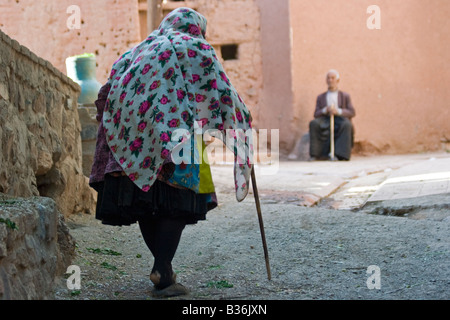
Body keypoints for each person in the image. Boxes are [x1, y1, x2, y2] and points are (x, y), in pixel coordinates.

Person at [89, 7, 253, 298]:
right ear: (197, 28)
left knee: (145, 199)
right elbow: (220, 90)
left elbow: (104, 94)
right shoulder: (195, 46)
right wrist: (242, 119)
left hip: (130, 141)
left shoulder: (136, 51)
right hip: (176, 136)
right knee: (180, 201)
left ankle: (162, 270)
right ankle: (162, 269)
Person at [309, 69, 355, 161]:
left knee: (347, 125)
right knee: (313, 123)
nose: (330, 80)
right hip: (326, 119)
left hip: (339, 119)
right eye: (328, 78)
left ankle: (341, 155)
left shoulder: (345, 96)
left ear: (337, 80)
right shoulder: (321, 97)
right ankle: (316, 154)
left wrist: (338, 111)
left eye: (333, 78)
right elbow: (316, 114)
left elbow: (351, 112)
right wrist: (325, 110)